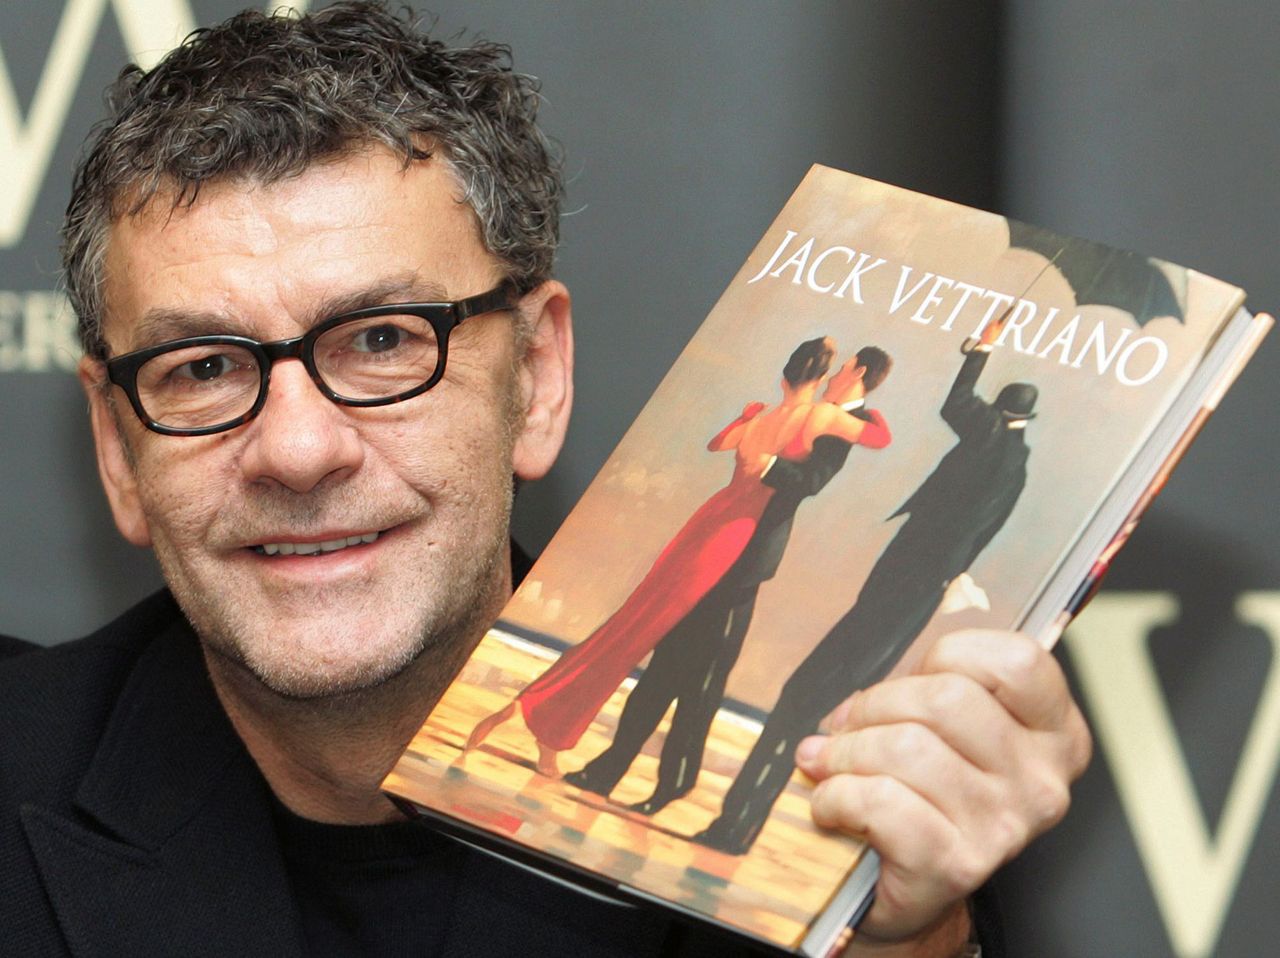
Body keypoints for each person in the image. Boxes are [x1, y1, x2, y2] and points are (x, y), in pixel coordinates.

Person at [0, 4, 1090, 956]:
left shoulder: (798, 831)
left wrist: (901, 941)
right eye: (203, 368)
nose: (297, 450)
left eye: (381, 341)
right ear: (118, 448)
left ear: (537, 377)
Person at [465, 336, 891, 776]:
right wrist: (862, 407)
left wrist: (745, 419)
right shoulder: (821, 416)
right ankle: (543, 722)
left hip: (705, 523)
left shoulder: (762, 418)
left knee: (628, 626)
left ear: (785, 378)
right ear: (820, 377)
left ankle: (540, 720)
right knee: (634, 636)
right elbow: (879, 437)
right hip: (729, 538)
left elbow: (718, 444)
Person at [698, 317, 1038, 855]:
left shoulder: (990, 437)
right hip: (909, 606)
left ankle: (733, 828)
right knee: (807, 714)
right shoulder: (1017, 470)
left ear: (1001, 413)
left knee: (795, 707)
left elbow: (958, 403)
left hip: (893, 595)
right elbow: (982, 537)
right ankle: (739, 829)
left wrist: (984, 346)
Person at [565, 347, 892, 814]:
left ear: (858, 372)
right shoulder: (819, 413)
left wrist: (768, 465)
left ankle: (672, 783)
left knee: (702, 681)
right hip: (714, 548)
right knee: (665, 665)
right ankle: (607, 770)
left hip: (746, 560)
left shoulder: (837, 422)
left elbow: (813, 481)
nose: (835, 375)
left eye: (843, 368)